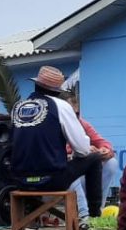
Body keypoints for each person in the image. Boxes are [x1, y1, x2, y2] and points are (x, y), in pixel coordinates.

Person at [8, 65, 103, 218]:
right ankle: (93, 217)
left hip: (20, 180)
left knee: (35, 163)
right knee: (94, 159)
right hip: (51, 180)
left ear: (36, 84)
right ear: (58, 90)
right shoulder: (61, 106)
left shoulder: (17, 107)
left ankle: (31, 219)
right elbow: (82, 149)